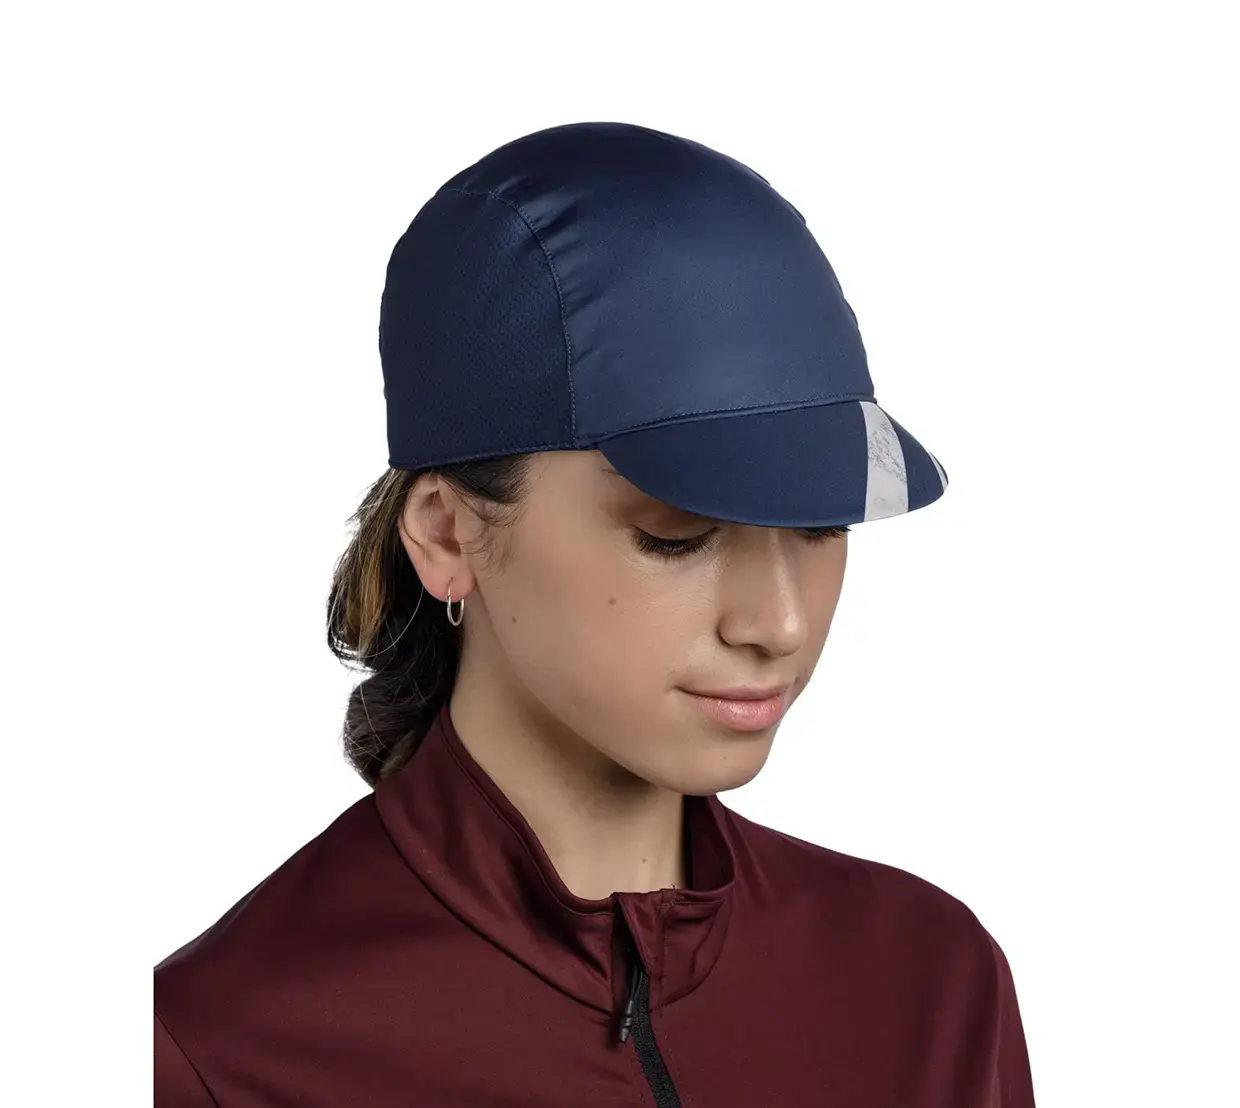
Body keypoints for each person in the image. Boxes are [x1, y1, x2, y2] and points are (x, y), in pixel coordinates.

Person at [154, 121, 1036, 1106]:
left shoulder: (928, 983)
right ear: (445, 534)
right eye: (676, 536)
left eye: (819, 526)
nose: (780, 623)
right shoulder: (222, 1053)